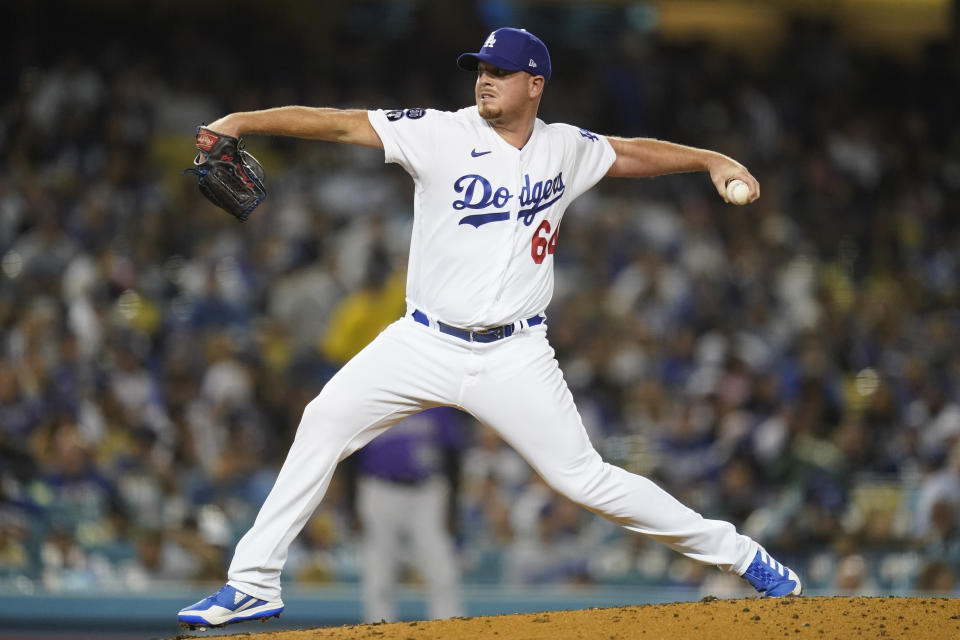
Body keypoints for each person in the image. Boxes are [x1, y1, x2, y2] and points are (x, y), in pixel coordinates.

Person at [178, 27, 801, 629]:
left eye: (499, 72)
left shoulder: (565, 147)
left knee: (583, 478)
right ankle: (253, 583)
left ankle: (743, 557)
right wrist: (243, 121)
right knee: (322, 420)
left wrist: (710, 159)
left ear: (536, 84)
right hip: (421, 340)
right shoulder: (439, 133)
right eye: (481, 69)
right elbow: (340, 121)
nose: (485, 81)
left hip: (515, 353)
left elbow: (631, 152)